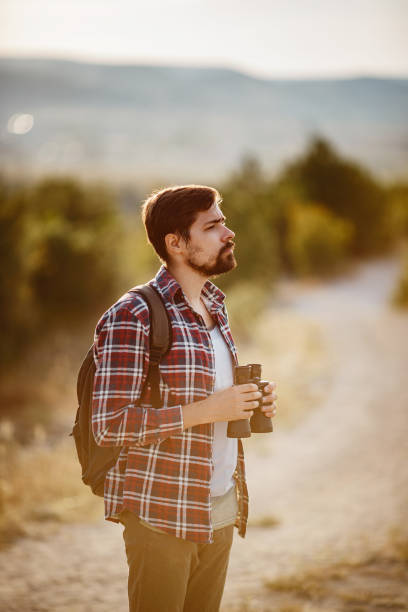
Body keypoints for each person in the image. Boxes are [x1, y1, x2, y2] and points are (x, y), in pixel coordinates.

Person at [91, 185, 278, 612]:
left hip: (220, 506)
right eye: (212, 226)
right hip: (161, 514)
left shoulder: (214, 305)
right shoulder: (132, 314)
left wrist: (253, 401)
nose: (228, 233)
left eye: (223, 221)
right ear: (175, 243)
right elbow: (110, 424)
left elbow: (211, 395)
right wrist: (210, 410)